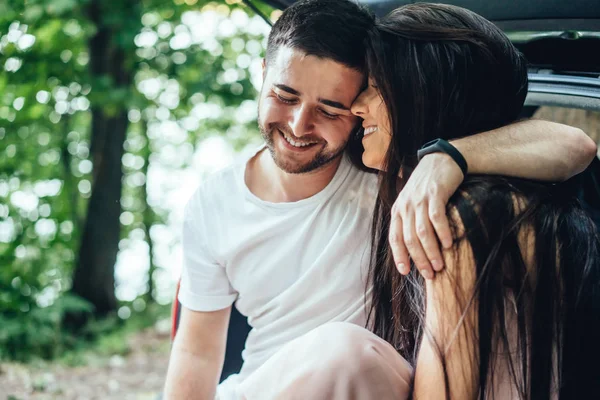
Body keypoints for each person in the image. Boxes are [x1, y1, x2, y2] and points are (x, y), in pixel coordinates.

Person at [162, 1, 597, 399]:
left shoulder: (396, 180)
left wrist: (447, 159)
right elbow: (196, 354)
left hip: (361, 379)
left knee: (347, 354)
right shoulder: (212, 202)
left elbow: (575, 144)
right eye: (285, 95)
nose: (299, 125)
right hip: (259, 386)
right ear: (263, 74)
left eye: (333, 108)